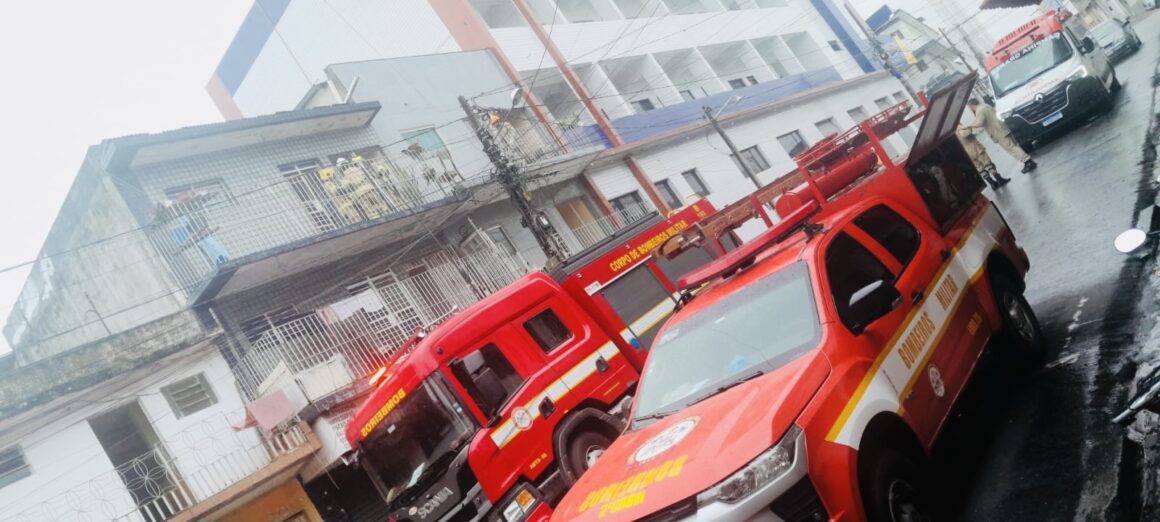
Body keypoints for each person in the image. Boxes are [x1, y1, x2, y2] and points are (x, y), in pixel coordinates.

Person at [965, 98, 1038, 173]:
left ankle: (1028, 162)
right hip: (1003, 128)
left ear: (971, 105)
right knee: (1014, 146)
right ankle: (1027, 161)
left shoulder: (979, 111)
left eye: (968, 107)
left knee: (1011, 148)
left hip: (997, 132)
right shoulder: (986, 106)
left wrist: (969, 126)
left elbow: (979, 123)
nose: (969, 108)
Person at [956, 125, 1011, 190]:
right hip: (975, 148)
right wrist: (969, 127)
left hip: (967, 153)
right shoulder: (959, 126)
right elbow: (965, 134)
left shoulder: (952, 131)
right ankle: (999, 179)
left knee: (980, 168)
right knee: (988, 163)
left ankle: (992, 183)